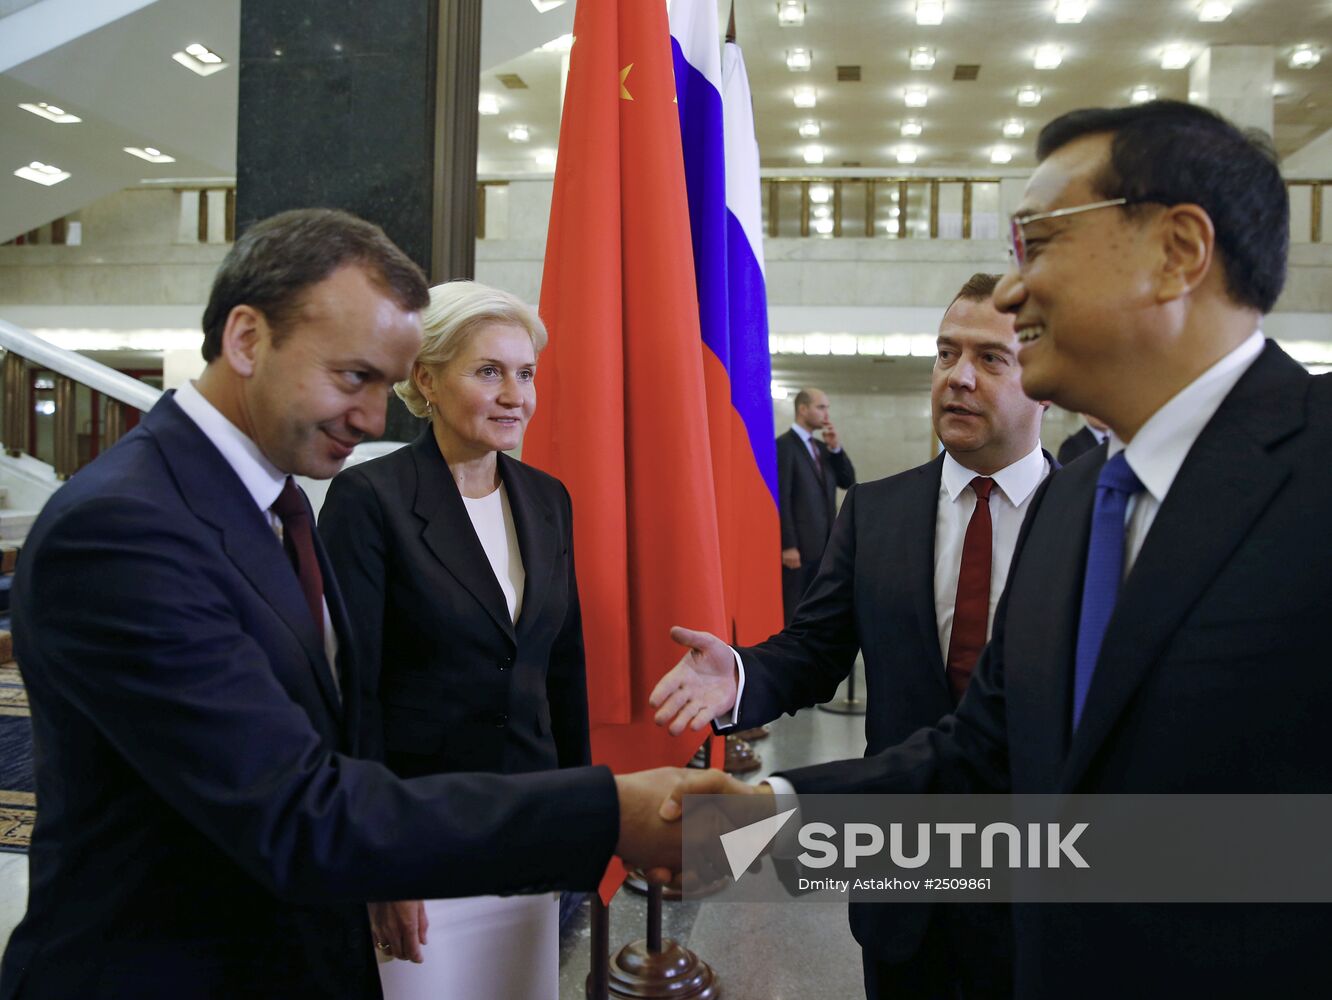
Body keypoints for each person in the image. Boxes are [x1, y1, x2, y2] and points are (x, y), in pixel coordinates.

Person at [670, 100, 1332, 996]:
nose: (1015, 292)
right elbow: (979, 749)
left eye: (1042, 244)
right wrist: (750, 825)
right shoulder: (1088, 505)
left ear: (1179, 252)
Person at [0, 208, 728, 1000]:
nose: (376, 418)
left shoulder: (268, 504)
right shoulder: (123, 528)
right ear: (246, 339)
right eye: (354, 377)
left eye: (384, 383)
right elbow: (294, 805)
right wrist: (607, 811)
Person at [652, 273, 1051, 998]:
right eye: (946, 354)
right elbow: (815, 650)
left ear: (1047, 377)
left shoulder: (1094, 514)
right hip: (901, 874)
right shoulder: (876, 512)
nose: (958, 377)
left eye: (991, 359)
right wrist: (739, 675)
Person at [318, 280, 585, 998]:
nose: (515, 396)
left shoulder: (548, 498)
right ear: (427, 380)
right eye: (489, 371)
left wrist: (579, 819)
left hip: (527, 826)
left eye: (525, 373)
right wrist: (378, 860)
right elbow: (353, 696)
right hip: (420, 836)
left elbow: (563, 671)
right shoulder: (369, 500)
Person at [777, 387, 855, 621]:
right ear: (803, 409)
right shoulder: (784, 446)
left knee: (819, 609)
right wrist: (788, 545)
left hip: (825, 545)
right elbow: (783, 498)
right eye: (821, 407)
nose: (826, 414)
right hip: (799, 548)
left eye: (827, 408)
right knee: (794, 609)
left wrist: (836, 449)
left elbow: (848, 481)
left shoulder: (822, 448)